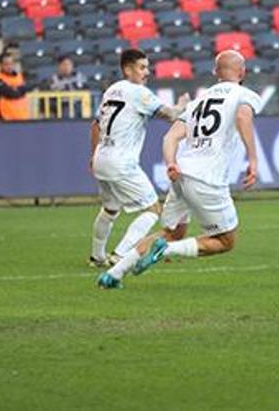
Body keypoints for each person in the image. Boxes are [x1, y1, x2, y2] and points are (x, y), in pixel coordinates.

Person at [98, 51, 259, 288]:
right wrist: (253, 160)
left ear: (215, 73)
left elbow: (170, 136)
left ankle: (113, 274)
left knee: (172, 231)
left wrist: (171, 162)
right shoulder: (245, 94)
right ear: (243, 72)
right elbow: (244, 117)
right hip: (208, 178)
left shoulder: (198, 101)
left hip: (181, 174)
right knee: (225, 241)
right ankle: (165, 251)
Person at [89, 49, 189, 272]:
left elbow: (95, 125)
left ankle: (97, 256)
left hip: (101, 158)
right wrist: (182, 105)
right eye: (142, 67)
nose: (147, 72)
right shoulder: (138, 92)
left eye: (147, 67)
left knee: (110, 209)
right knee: (153, 209)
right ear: (127, 69)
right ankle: (121, 254)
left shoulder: (112, 90)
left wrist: (92, 154)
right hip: (120, 161)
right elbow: (170, 115)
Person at [0, 52, 38, 121]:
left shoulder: (20, 76)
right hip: (3, 120)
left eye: (11, 63)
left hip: (22, 118)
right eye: (6, 64)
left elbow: (31, 86)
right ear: (0, 65)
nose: (9, 66)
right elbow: (11, 93)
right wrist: (21, 89)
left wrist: (18, 89)